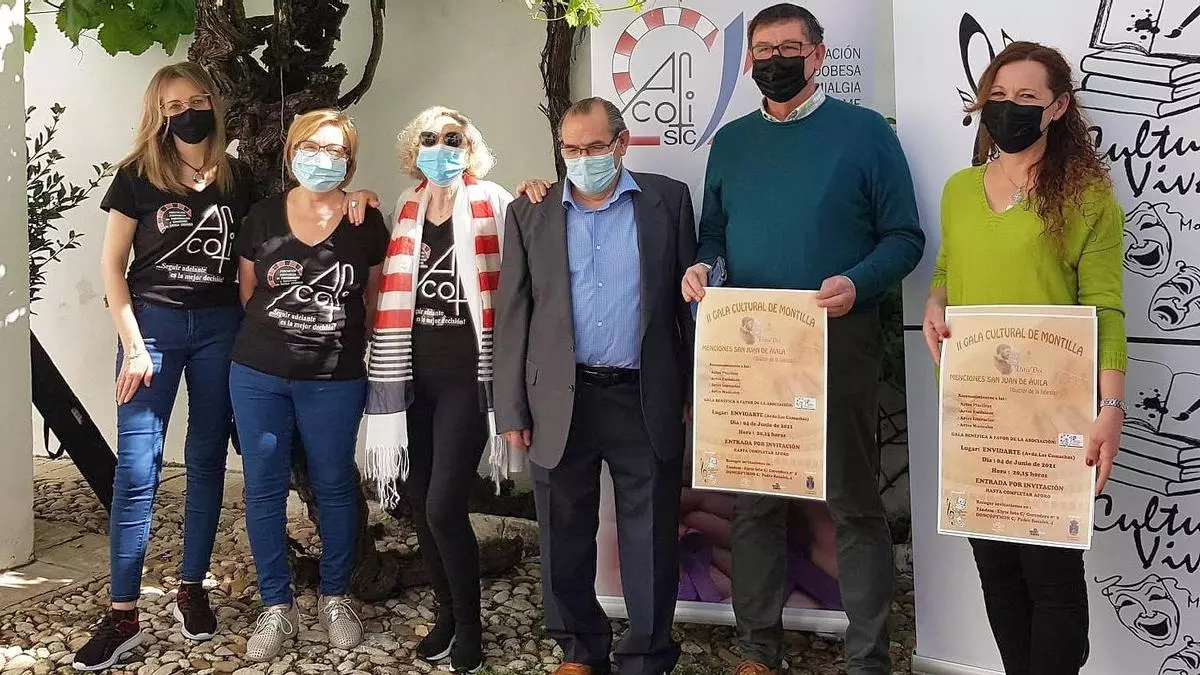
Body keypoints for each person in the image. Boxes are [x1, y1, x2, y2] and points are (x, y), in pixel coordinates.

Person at [679, 5, 925, 674]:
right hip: (751, 350)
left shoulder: (864, 133)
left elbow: (904, 238)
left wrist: (857, 281)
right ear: (749, 60)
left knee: (852, 502)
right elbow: (714, 233)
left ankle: (868, 657)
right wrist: (703, 267)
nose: (776, 60)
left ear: (818, 55)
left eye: (790, 48)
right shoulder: (732, 142)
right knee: (755, 503)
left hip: (837, 341)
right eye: (763, 49)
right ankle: (758, 651)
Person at [922, 41, 1126, 675]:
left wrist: (1111, 407)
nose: (1009, 107)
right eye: (999, 95)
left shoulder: (1086, 197)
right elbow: (950, 266)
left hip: (1054, 415)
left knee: (1051, 573)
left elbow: (1105, 308)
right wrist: (934, 300)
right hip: (976, 409)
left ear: (1058, 107)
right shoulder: (960, 189)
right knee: (996, 568)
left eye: (1027, 97)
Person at [494, 97, 695, 675]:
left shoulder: (668, 201)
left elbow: (685, 306)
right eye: (571, 149)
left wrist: (692, 388)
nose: (583, 159)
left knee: (650, 534)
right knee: (563, 532)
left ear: (621, 144)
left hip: (644, 395)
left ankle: (648, 655)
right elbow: (513, 314)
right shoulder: (530, 212)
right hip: (560, 398)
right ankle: (580, 650)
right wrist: (510, 407)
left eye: (595, 147)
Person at [229, 109, 389, 662]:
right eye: (311, 147)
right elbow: (248, 292)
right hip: (259, 375)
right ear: (291, 150)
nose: (323, 158)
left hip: (334, 379)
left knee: (335, 484)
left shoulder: (365, 219)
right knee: (263, 489)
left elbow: (373, 299)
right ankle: (277, 605)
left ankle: (335, 597)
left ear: (350, 160)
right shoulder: (262, 216)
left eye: (335, 150)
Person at [361, 106, 515, 674]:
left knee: (444, 505)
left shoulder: (495, 203)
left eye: (453, 139)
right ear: (414, 149)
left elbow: (519, 278)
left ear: (470, 149)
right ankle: (446, 614)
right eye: (430, 138)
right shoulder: (406, 205)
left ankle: (471, 625)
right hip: (410, 377)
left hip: (468, 380)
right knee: (419, 503)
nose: (441, 147)